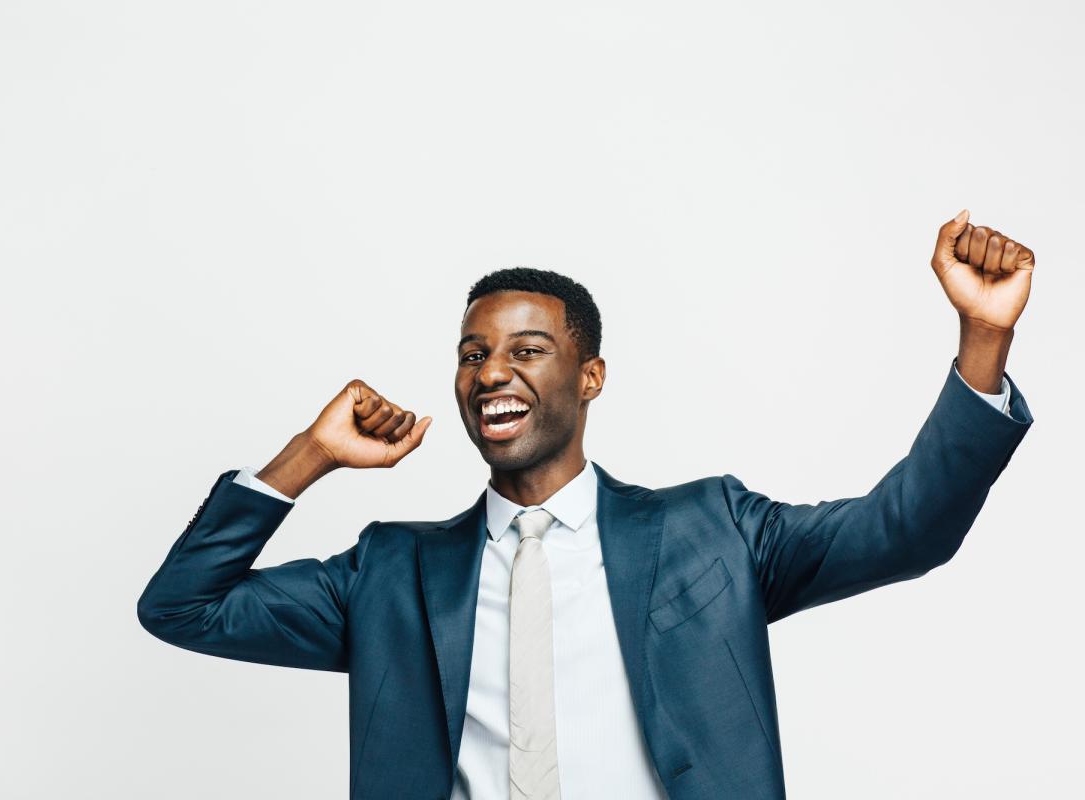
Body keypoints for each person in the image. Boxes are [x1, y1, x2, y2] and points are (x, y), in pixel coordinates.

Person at [137, 210, 1035, 800]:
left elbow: (906, 531)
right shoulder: (391, 572)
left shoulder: (714, 532)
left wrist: (983, 337)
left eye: (527, 350)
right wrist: (310, 454)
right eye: (473, 354)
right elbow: (181, 608)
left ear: (590, 375)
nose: (492, 372)